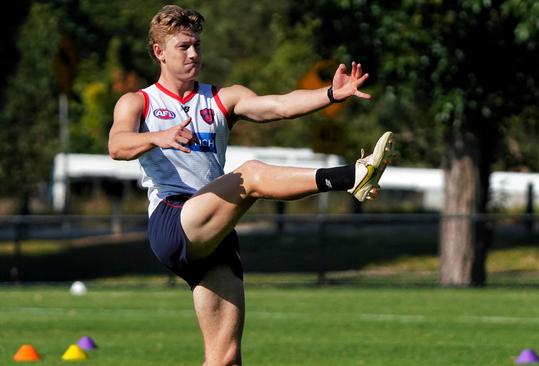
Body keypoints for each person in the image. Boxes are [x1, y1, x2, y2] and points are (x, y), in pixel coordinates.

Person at [108, 5, 395, 366]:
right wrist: (158, 136)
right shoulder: (139, 101)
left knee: (225, 358)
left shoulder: (221, 98)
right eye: (183, 46)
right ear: (159, 52)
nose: (194, 53)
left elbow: (277, 106)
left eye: (197, 44)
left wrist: (330, 95)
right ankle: (351, 176)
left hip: (216, 230)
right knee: (252, 175)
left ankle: (353, 176)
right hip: (173, 219)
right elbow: (117, 145)